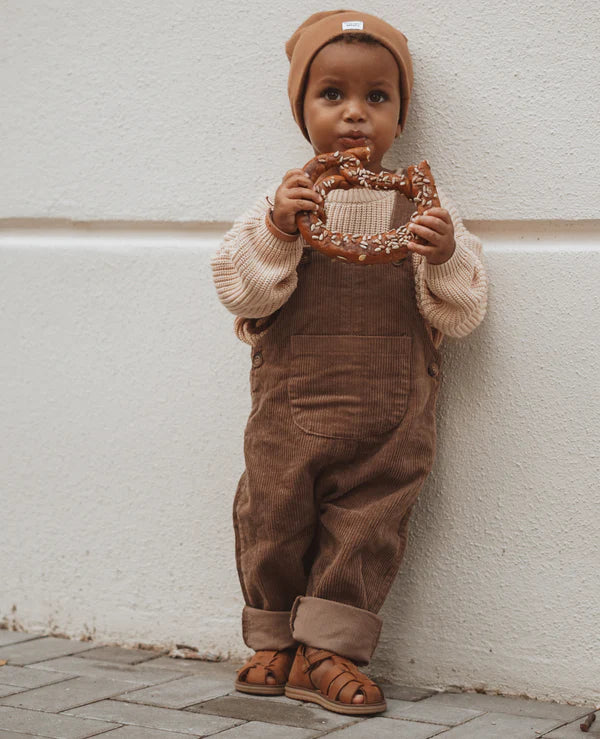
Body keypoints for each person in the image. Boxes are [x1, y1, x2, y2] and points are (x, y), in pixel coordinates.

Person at [210, 9, 488, 716]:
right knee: (272, 513)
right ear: (302, 110)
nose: (355, 114)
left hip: (392, 417)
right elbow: (239, 290)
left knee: (368, 527)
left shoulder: (427, 211)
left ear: (400, 115)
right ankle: (273, 635)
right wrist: (276, 229)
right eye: (332, 94)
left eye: (378, 97)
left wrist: (446, 254)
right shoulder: (285, 203)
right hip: (289, 409)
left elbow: (462, 312)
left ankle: (327, 651)